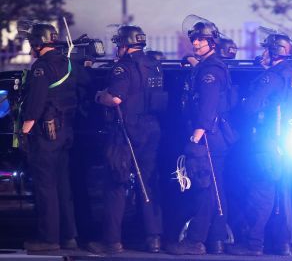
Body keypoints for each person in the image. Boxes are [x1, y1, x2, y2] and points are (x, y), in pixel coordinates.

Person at [227, 32, 292, 256]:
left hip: (266, 140)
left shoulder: (271, 77)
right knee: (281, 194)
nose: (263, 53)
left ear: (273, 51)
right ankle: (282, 243)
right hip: (286, 140)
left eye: (266, 49)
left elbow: (250, 107)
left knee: (259, 192)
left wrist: (241, 100)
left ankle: (253, 243)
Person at [89, 25, 164, 254]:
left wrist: (100, 96)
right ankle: (154, 240)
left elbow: (116, 99)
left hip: (127, 132)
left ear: (124, 44)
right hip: (152, 129)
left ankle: (111, 242)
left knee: (116, 183)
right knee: (147, 183)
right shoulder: (155, 65)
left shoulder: (122, 68)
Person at [165, 17, 231, 255]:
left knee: (205, 189)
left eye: (202, 39)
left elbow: (208, 105)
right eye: (194, 39)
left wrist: (196, 136)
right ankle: (217, 238)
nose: (196, 43)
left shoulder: (210, 70)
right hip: (214, 137)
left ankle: (195, 241)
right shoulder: (208, 66)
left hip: (207, 138)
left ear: (212, 42)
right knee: (214, 188)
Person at [21, 23, 78, 251]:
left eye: (31, 43)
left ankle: (48, 239)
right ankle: (69, 236)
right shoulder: (67, 63)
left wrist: (24, 131)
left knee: (46, 187)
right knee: (62, 186)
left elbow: (35, 103)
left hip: (46, 134)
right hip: (65, 132)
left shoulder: (41, 68)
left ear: (38, 43)